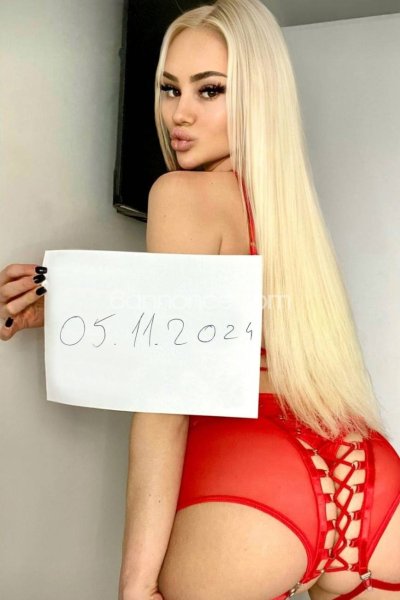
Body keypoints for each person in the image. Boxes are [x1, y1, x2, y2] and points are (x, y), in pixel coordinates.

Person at [1, 0, 399, 598]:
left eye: (209, 90)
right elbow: (227, 321)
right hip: (368, 479)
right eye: (170, 88)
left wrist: (135, 584)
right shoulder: (290, 214)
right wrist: (71, 301)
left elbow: (164, 401)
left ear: (257, 98)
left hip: (256, 491)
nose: (178, 113)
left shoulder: (180, 194)